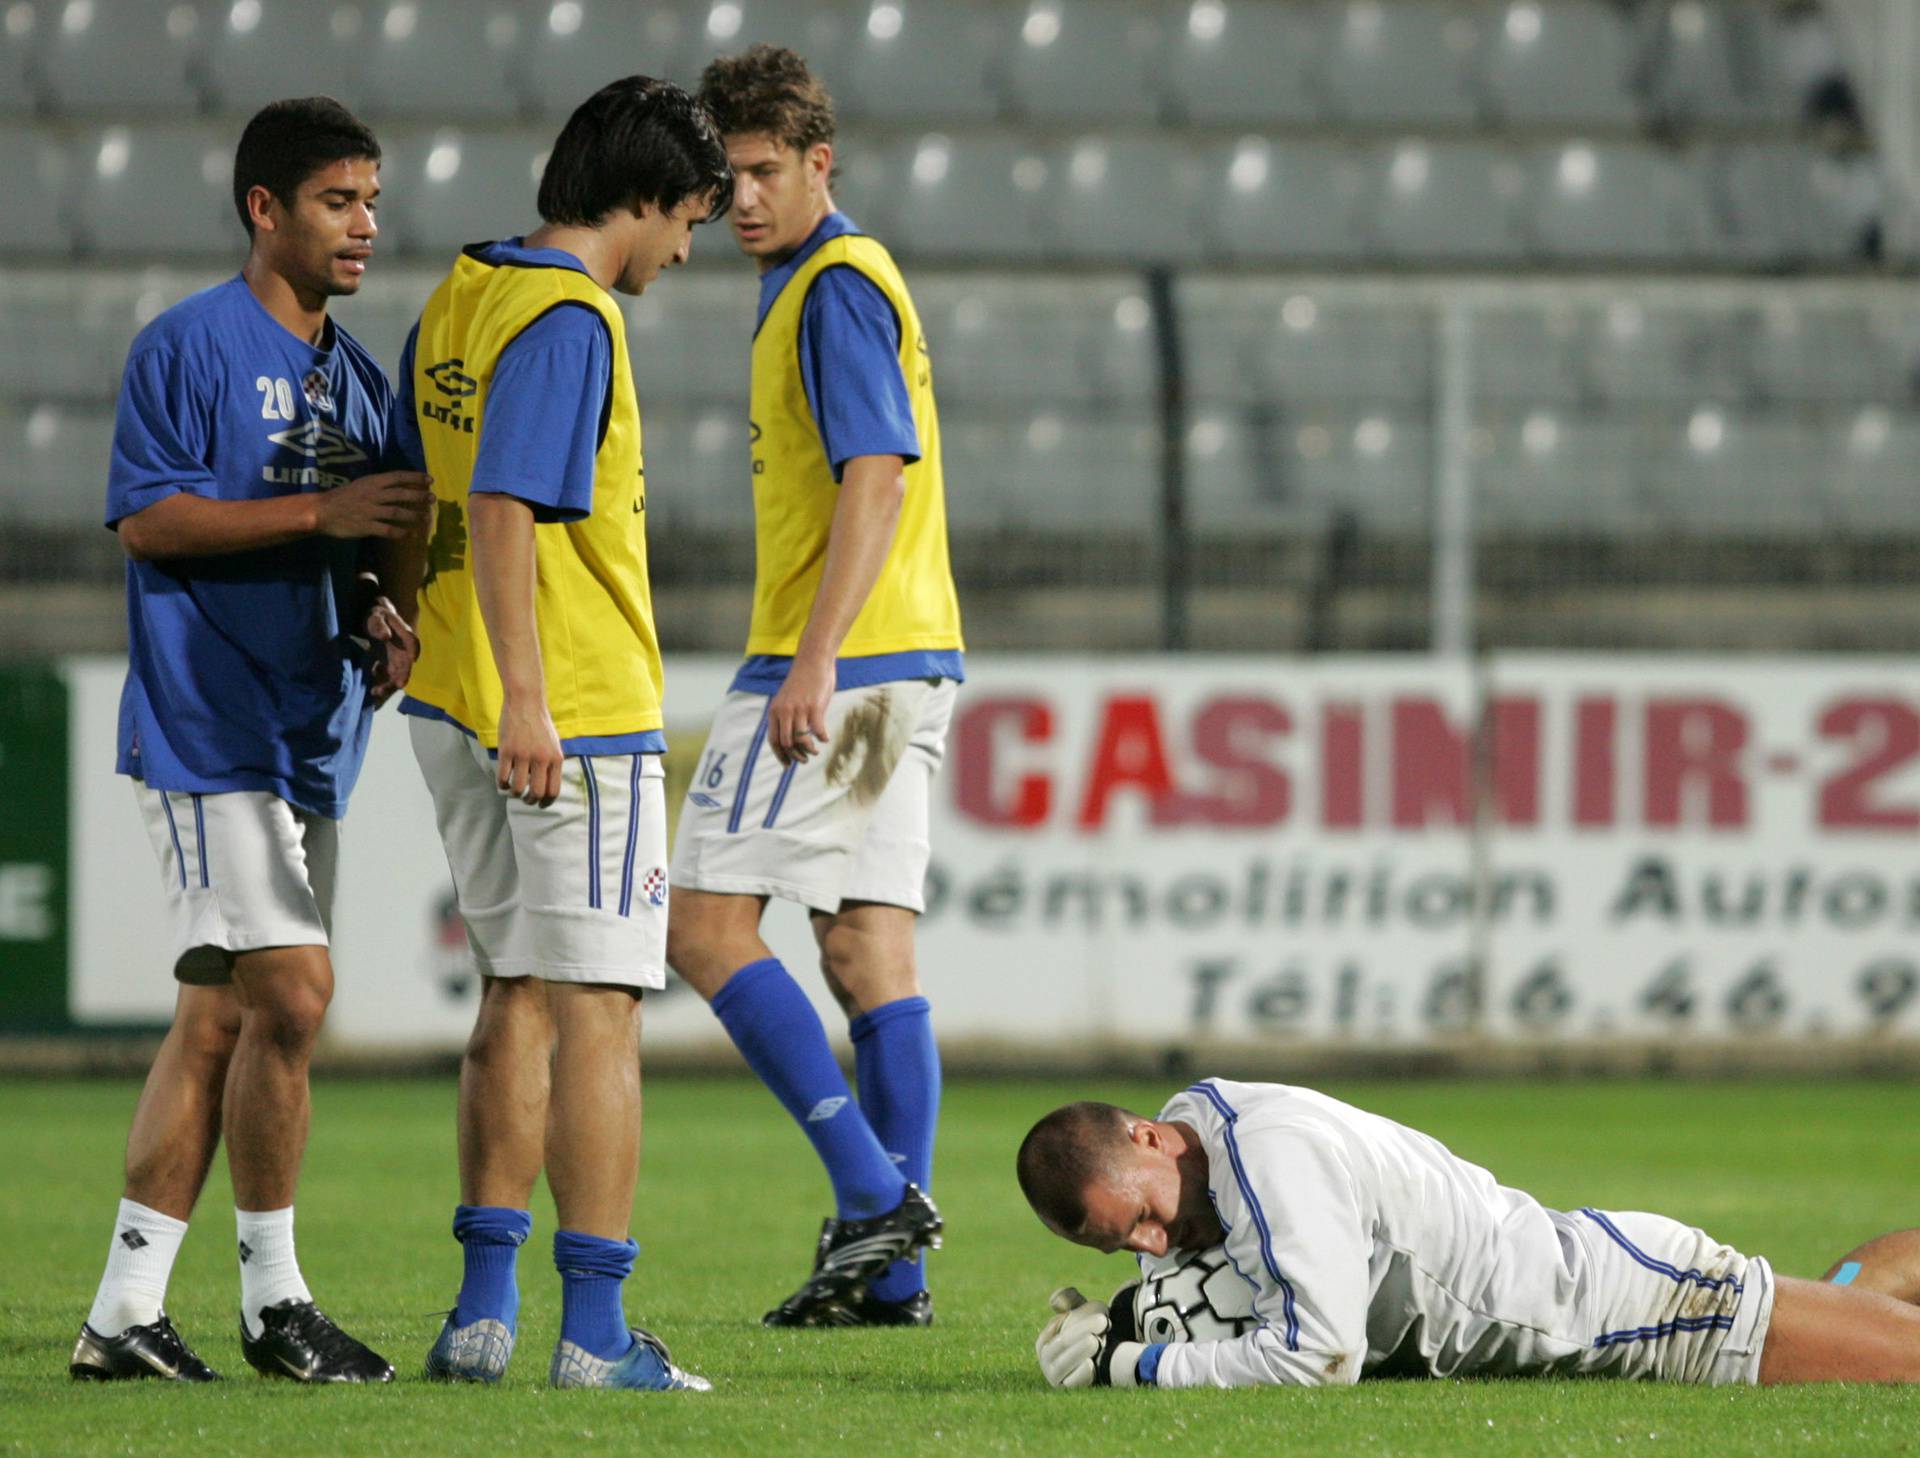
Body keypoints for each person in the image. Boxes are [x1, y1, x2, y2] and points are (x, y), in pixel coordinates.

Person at [72, 97, 429, 1385]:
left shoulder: (360, 373)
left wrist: (383, 604)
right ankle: (277, 1301)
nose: (365, 225)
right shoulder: (186, 346)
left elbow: (377, 532)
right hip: (207, 720)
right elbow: (148, 522)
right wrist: (318, 510)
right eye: (338, 201)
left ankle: (123, 1315)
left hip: (309, 725)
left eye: (374, 201)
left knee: (225, 1020)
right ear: (263, 209)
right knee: (295, 991)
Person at [390, 76, 731, 1392]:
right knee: (600, 1010)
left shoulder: (465, 290)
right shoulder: (572, 317)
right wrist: (533, 699)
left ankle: (483, 1311)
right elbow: (501, 511)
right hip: (565, 714)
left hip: (451, 696)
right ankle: (593, 1333)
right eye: (689, 216)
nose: (689, 246)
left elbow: (429, 486)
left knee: (515, 991)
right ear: (643, 197)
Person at [673, 44, 963, 1328]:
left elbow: (876, 475)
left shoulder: (835, 286)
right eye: (725, 176)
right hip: (909, 654)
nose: (741, 197)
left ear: (818, 164)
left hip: (842, 660)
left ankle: (874, 1197)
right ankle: (890, 1278)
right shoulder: (817, 280)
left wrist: (814, 655)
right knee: (865, 948)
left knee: (701, 927)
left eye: (764, 171)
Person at [1020, 1080, 1920, 1388]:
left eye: (1139, 1219)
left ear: (1144, 1135)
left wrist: (1128, 1364)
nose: (1150, 1244)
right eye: (1122, 1246)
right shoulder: (1203, 1129)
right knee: (1844, 1312)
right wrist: (1144, 1311)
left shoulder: (1268, 1160)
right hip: (1598, 1279)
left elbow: (1317, 1360)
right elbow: (1244, 1271)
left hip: (1635, 1311)